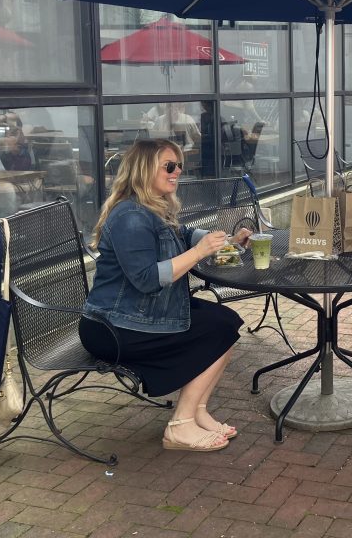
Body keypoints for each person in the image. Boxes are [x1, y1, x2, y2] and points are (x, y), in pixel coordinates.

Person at [79, 139, 250, 452]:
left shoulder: (152, 207)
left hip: (140, 312)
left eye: (179, 165)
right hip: (113, 327)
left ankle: (197, 411)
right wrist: (200, 252)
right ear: (144, 170)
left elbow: (183, 234)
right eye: (169, 166)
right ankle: (180, 426)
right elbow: (146, 279)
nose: (177, 171)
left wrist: (226, 241)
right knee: (218, 330)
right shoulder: (130, 216)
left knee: (226, 322)